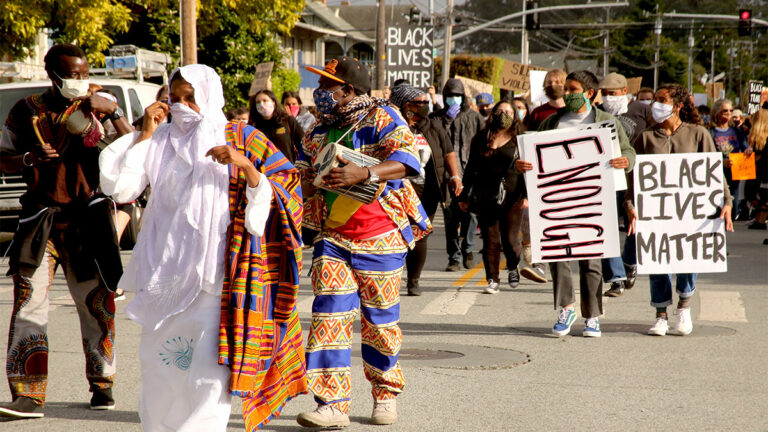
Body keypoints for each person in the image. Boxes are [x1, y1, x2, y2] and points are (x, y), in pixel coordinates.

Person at [98, 64, 307, 431]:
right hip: (163, 279)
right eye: (174, 98)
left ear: (209, 95)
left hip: (217, 281)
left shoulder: (243, 138)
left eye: (190, 97)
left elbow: (286, 189)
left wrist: (244, 165)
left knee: (209, 380)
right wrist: (145, 133)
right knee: (161, 376)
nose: (181, 106)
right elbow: (122, 189)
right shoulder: (160, 139)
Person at [296, 57, 430, 428]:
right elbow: (301, 176)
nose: (320, 93)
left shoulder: (384, 117)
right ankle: (331, 403)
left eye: (326, 87)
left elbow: (408, 160)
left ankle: (385, 394)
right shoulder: (316, 132)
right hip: (332, 237)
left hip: (381, 235)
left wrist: (366, 171)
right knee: (328, 317)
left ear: (347, 89)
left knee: (380, 324)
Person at [0, 44, 130, 419]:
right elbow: (3, 157)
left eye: (83, 73)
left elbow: (134, 151)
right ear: (52, 74)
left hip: (87, 222)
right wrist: (29, 158)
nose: (79, 80)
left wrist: (116, 111)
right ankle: (28, 395)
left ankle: (103, 385)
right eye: (72, 74)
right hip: (40, 220)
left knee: (96, 307)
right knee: (28, 307)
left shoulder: (98, 108)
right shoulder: (25, 111)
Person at [515, 70, 635, 338]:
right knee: (558, 256)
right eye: (565, 89)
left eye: (572, 89)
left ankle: (592, 316)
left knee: (591, 260)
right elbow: (531, 156)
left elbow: (628, 151)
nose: (566, 93)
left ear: (589, 93)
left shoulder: (607, 123)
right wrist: (521, 165)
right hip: (557, 201)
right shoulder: (551, 123)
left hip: (593, 201)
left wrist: (625, 161)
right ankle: (566, 307)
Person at [625, 84, 733, 336]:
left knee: (688, 256)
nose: (656, 105)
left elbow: (713, 173)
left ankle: (684, 308)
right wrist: (629, 205)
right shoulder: (645, 137)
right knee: (657, 258)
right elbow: (634, 180)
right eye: (654, 100)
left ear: (678, 106)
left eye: (662, 100)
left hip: (690, 213)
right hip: (655, 212)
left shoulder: (698, 134)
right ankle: (660, 314)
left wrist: (727, 202)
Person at [390, 84, 462, 296]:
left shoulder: (433, 126)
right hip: (397, 188)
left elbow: (449, 152)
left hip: (427, 189)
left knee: (419, 233)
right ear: (405, 105)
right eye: (420, 102)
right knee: (394, 235)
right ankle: (390, 277)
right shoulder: (391, 126)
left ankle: (413, 280)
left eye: (426, 102)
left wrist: (455, 176)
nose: (425, 106)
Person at [458, 98, 527, 293]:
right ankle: (492, 279)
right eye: (500, 111)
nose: (504, 116)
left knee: (511, 240)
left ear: (515, 118)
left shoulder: (519, 138)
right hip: (485, 195)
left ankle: (513, 266)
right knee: (490, 239)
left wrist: (526, 195)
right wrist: (464, 195)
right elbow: (471, 168)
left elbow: (529, 169)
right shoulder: (481, 138)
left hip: (513, 196)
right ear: (493, 114)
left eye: (509, 113)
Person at [596, 72, 652, 297]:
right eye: (605, 94)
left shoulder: (642, 110)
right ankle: (616, 277)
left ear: (623, 92)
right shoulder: (597, 114)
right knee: (606, 226)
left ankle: (630, 259)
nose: (609, 98)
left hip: (635, 177)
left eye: (613, 93)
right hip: (605, 178)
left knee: (635, 224)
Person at [434, 78, 485, 271]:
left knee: (471, 215)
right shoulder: (437, 118)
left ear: (463, 97)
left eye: (457, 96)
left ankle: (468, 248)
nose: (453, 99)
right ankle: (454, 257)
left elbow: (484, 143)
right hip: (447, 177)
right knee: (450, 217)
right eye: (449, 96)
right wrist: (447, 119)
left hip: (470, 175)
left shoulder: (475, 117)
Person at [510, 96, 548, 284]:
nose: (517, 111)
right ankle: (519, 260)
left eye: (520, 107)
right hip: (512, 187)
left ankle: (537, 263)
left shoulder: (532, 133)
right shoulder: (508, 134)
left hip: (533, 187)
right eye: (514, 108)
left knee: (533, 223)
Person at [709, 99, 748, 220]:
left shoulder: (737, 131)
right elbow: (708, 152)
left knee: (734, 204)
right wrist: (721, 161)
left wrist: (748, 150)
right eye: (725, 110)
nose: (728, 113)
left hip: (735, 171)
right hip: (718, 171)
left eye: (731, 110)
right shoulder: (710, 132)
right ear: (717, 112)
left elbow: (744, 146)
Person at [249, 89, 304, 163]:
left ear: (273, 102)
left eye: (265, 100)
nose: (261, 104)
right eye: (258, 102)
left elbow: (303, 145)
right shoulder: (253, 126)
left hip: (288, 170)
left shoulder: (288, 121)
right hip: (264, 172)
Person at [746, 107, 768, 230]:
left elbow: (758, 156)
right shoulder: (760, 135)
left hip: (759, 170)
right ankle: (760, 219)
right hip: (762, 171)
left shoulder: (755, 136)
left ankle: (760, 219)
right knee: (763, 196)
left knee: (754, 194)